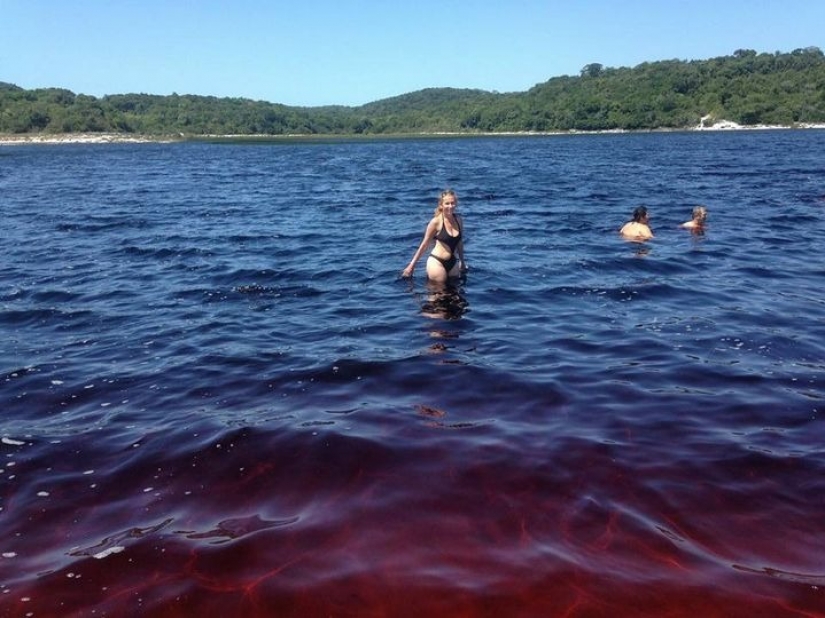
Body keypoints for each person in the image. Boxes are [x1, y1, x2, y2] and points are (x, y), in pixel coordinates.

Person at [402, 189, 468, 283]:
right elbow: (424, 245)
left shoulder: (459, 220)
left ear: (456, 204)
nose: (450, 206)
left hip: (453, 263)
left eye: (452, 203)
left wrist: (462, 261)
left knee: (455, 294)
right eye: (447, 203)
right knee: (438, 294)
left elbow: (460, 242)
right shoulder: (436, 222)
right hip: (437, 262)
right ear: (441, 205)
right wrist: (411, 266)